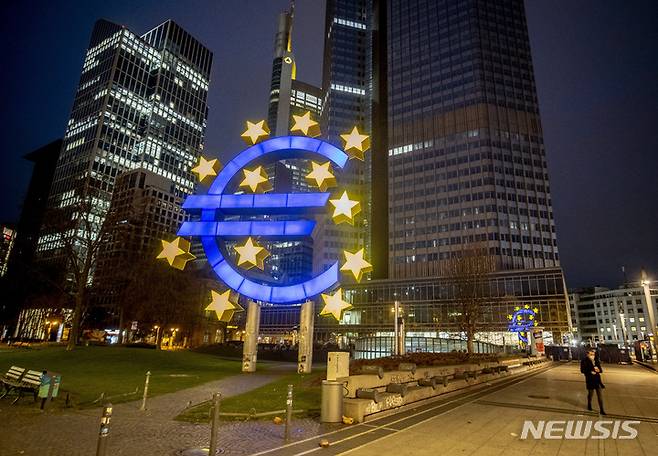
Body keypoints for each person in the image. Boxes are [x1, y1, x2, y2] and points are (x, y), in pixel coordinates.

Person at [580, 347, 606, 414]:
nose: (593, 356)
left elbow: (600, 369)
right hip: (590, 379)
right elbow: (582, 370)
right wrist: (590, 372)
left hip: (597, 380)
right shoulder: (584, 361)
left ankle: (602, 409)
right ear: (587, 354)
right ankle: (589, 404)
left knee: (599, 395)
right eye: (591, 354)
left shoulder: (596, 360)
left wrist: (599, 370)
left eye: (593, 354)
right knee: (590, 394)